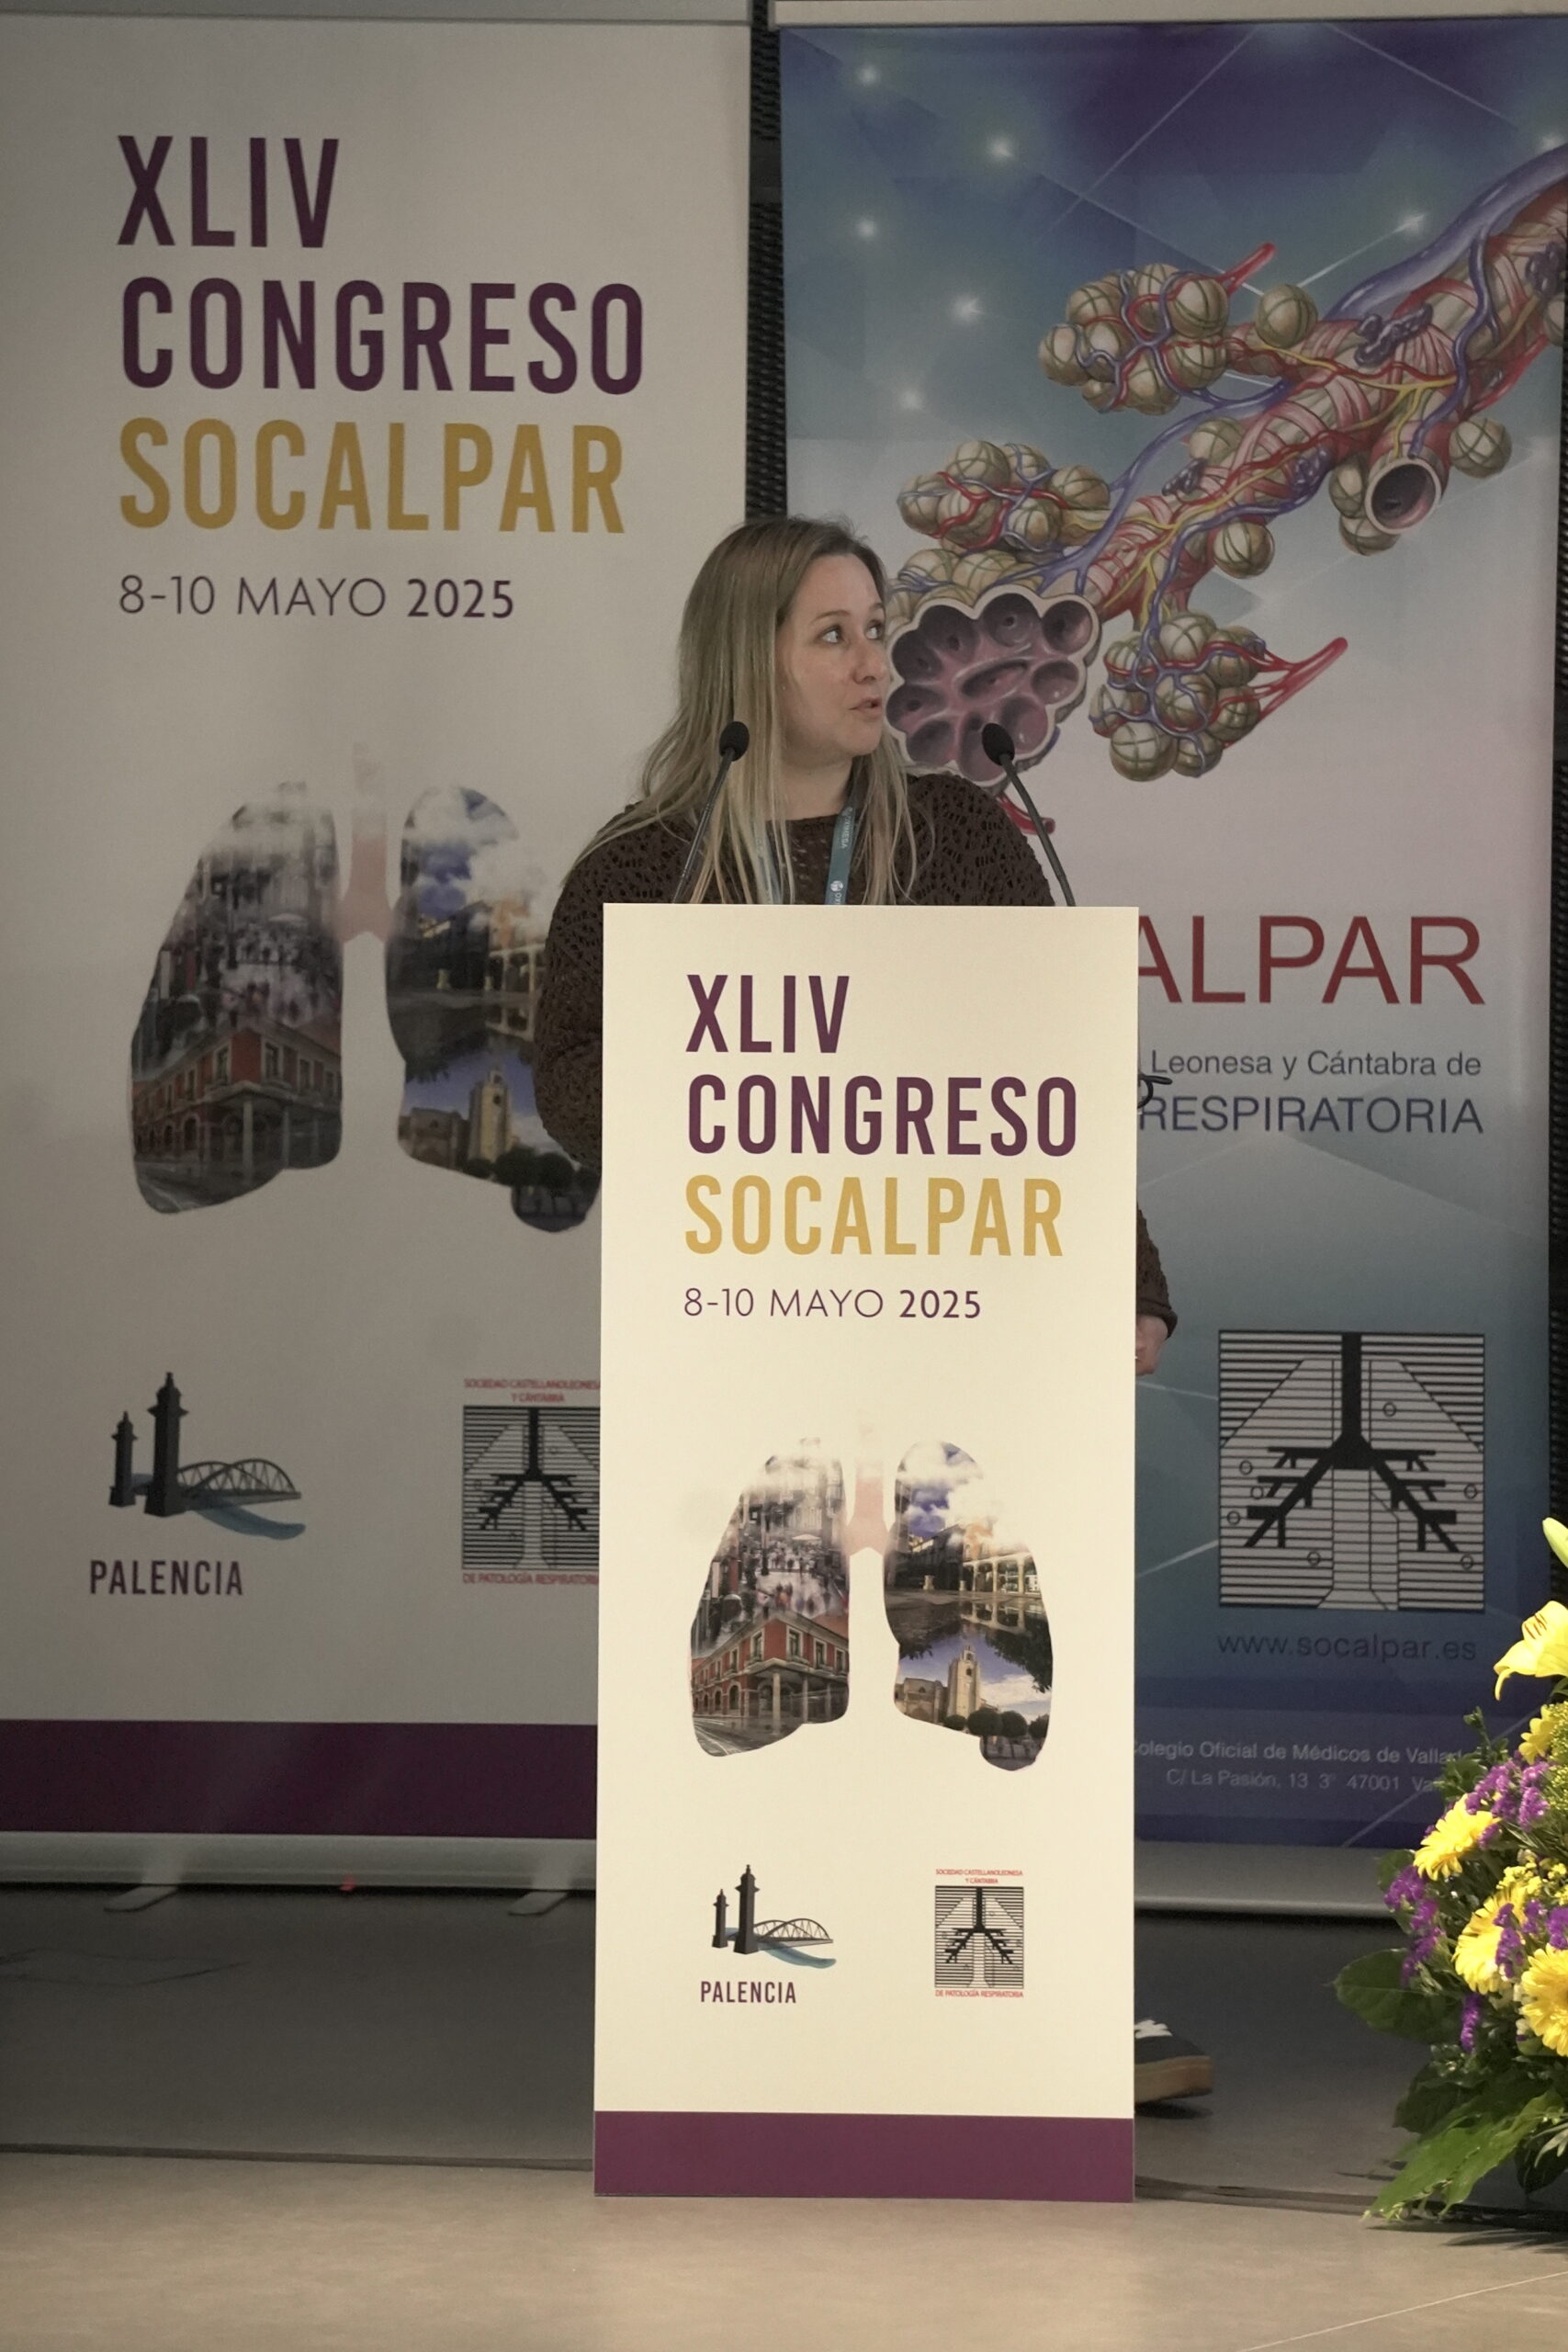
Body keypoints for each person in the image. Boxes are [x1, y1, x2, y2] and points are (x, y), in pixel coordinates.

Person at [535, 514, 1211, 2103]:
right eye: (832, 634)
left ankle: (1053, 2001)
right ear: (745, 659)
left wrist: (1126, 1282)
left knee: (982, 1669)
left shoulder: (960, 837)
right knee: (767, 1678)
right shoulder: (640, 867)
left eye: (877, 628)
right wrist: (738, 1070)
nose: (871, 663)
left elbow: (1048, 1082)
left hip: (953, 1325)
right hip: (746, 1338)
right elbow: (569, 1086)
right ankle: (756, 1995)